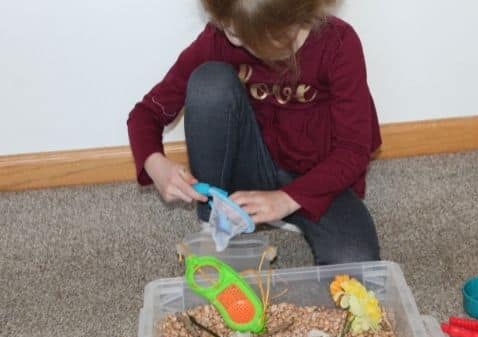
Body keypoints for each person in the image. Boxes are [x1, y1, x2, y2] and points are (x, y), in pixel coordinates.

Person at [127, 0, 381, 265]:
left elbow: (353, 150)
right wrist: (154, 163)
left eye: (239, 34)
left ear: (286, 26)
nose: (230, 36)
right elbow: (146, 113)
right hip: (251, 170)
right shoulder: (222, 37)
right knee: (208, 83)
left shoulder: (338, 44)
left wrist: (288, 199)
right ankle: (217, 221)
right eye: (228, 28)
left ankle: (287, 212)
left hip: (320, 179)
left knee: (354, 262)